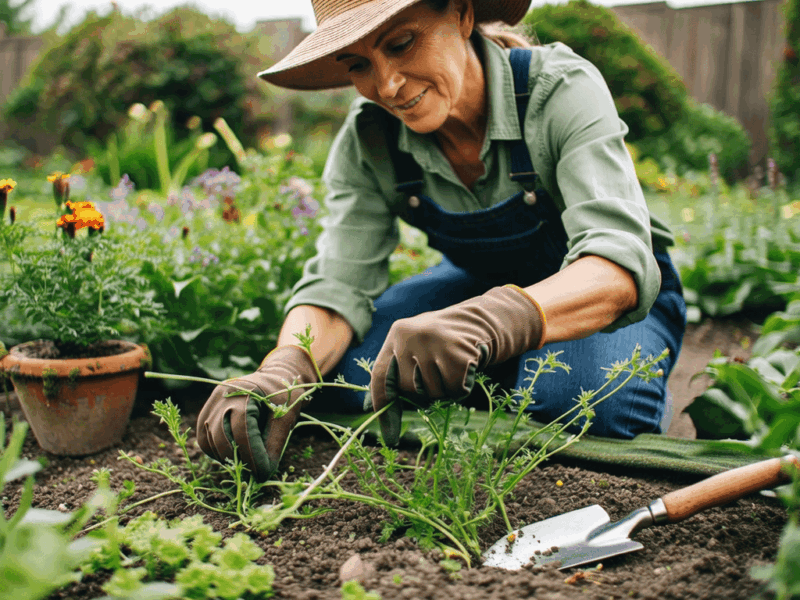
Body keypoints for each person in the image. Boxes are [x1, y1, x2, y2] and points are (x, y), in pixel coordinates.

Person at [196, 0, 687, 480]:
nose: (386, 84)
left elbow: (617, 263)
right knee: (346, 380)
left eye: (402, 43)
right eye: (358, 64)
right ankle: (497, 369)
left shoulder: (558, 89)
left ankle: (549, 373)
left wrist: (491, 323)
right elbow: (337, 284)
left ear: (462, 13)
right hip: (479, 284)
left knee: (578, 405)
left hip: (604, 298)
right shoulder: (371, 139)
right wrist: (286, 369)